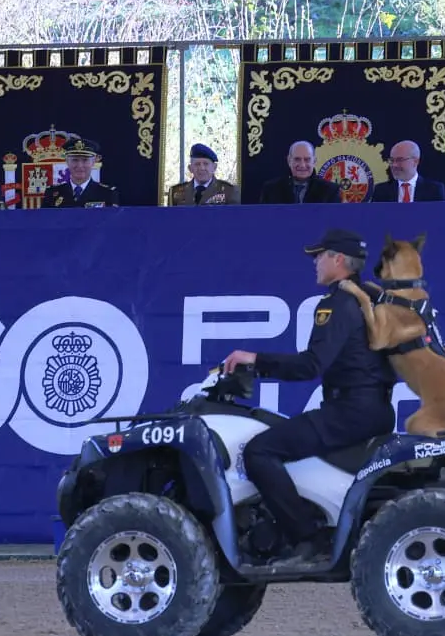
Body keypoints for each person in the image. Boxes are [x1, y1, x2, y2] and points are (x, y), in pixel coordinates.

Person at [221, 228, 397, 566]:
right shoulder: (371, 296)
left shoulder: (337, 304)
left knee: (259, 451)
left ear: (338, 260)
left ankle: (307, 537)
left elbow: (311, 365)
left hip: (351, 410)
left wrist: (255, 360)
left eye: (319, 255)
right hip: (376, 407)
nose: (314, 262)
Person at [42, 137, 119, 207]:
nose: (80, 165)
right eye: (75, 160)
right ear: (67, 161)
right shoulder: (51, 193)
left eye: (85, 160)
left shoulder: (107, 193)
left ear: (94, 161)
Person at [257, 140, 342, 204]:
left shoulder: (330, 191)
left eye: (307, 159)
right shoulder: (271, 189)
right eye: (297, 159)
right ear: (289, 161)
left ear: (314, 161)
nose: (302, 165)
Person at [370, 140, 445, 202]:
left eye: (399, 160)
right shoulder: (381, 191)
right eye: (392, 160)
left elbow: (441, 219)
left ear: (415, 162)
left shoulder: (434, 190)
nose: (394, 165)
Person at [167, 143, 241, 206]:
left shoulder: (229, 191)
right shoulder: (175, 193)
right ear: (190, 168)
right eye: (197, 164)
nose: (202, 168)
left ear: (214, 167)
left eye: (206, 164)